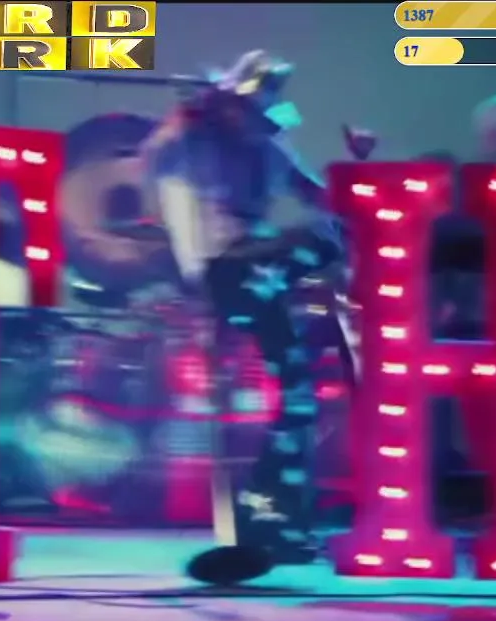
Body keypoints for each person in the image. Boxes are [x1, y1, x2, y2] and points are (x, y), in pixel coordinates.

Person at [142, 50, 350, 565]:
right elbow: (152, 156)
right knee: (316, 240)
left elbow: (319, 196)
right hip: (223, 266)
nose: (247, 121)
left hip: (259, 270)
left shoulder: (271, 144)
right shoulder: (192, 137)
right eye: (240, 110)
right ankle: (251, 300)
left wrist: (358, 169)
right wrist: (188, 112)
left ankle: (271, 517)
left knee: (299, 400)